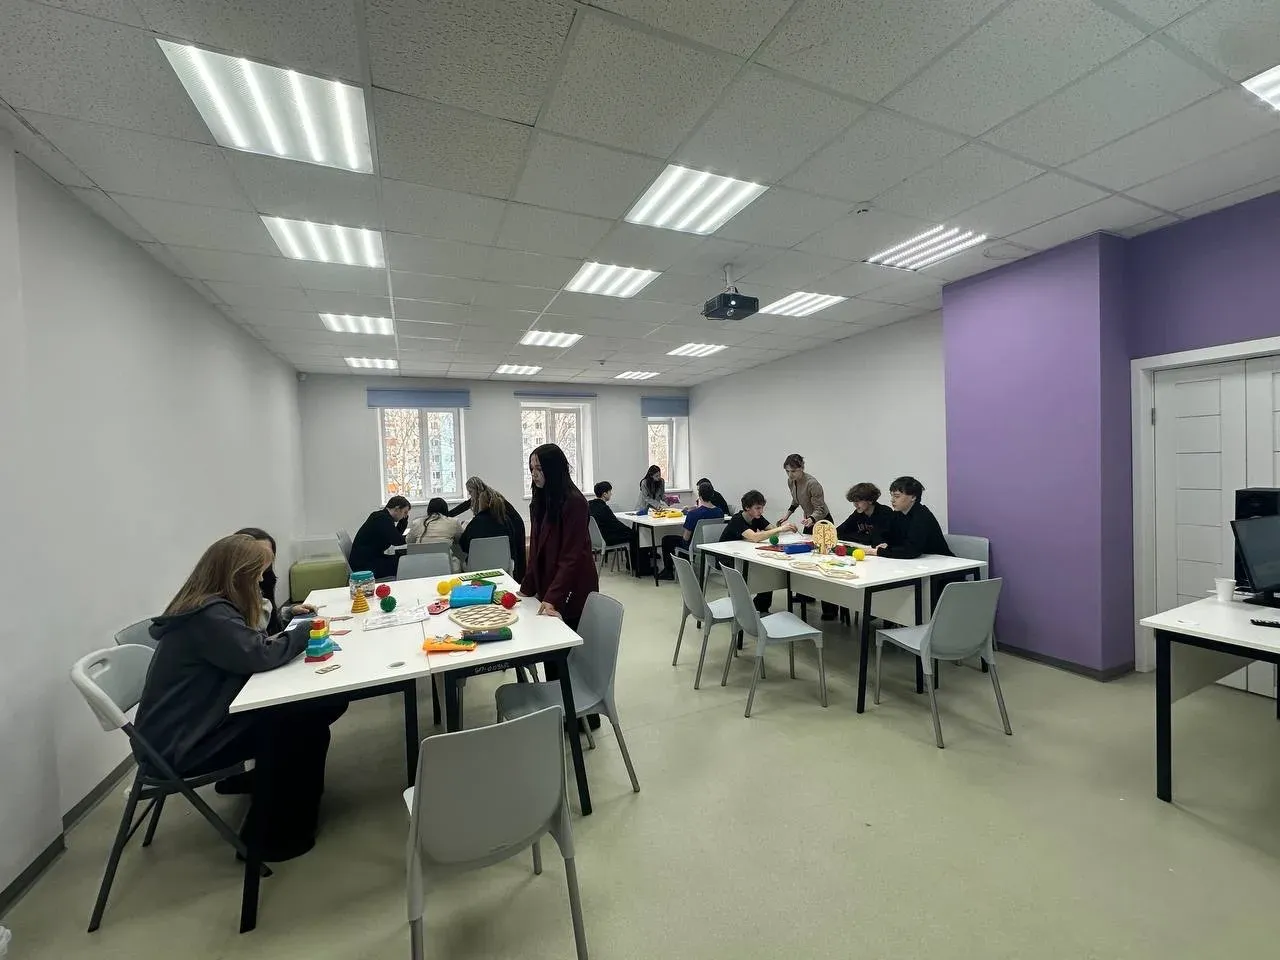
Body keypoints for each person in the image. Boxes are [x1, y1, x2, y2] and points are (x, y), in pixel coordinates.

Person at [135, 535, 345, 861]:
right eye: (257, 575)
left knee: (316, 708)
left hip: (189, 726)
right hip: (184, 744)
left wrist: (285, 625)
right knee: (299, 724)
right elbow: (258, 654)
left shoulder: (207, 608)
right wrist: (305, 631)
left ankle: (276, 790)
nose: (261, 582)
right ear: (238, 576)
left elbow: (248, 644)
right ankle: (273, 838)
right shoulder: (209, 616)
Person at [865, 476, 958, 606]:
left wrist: (880, 552)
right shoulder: (898, 513)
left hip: (943, 573)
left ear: (913, 497)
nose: (892, 500)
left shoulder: (922, 516)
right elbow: (880, 535)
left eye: (897, 496)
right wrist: (884, 543)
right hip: (920, 566)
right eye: (892, 496)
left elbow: (912, 551)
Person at [776, 454, 837, 619]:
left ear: (802, 468)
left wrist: (811, 519)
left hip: (822, 522)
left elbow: (820, 509)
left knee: (824, 562)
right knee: (807, 557)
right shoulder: (791, 481)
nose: (790, 474)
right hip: (809, 521)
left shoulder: (813, 484)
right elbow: (796, 501)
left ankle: (830, 608)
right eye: (787, 471)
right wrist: (787, 515)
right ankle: (806, 594)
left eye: (793, 471)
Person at [719, 489, 795, 612]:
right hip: (727, 558)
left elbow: (772, 531)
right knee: (761, 572)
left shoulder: (757, 517)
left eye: (762, 508)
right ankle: (747, 609)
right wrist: (780, 529)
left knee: (768, 572)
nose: (761, 511)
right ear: (747, 508)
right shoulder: (737, 520)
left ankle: (761, 607)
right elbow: (755, 537)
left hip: (744, 553)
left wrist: (782, 528)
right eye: (758, 508)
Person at [235, 527, 316, 634]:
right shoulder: (234, 594)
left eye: (267, 553)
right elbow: (256, 638)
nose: (263, 559)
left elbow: (269, 624)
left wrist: (289, 612)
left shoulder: (266, 578)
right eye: (258, 554)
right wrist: (301, 633)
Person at [456, 477, 527, 581]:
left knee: (517, 554)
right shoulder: (485, 496)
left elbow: (463, 544)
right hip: (507, 524)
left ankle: (518, 579)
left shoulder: (490, 496)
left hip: (515, 524)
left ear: (476, 489)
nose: (470, 495)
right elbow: (465, 506)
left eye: (470, 492)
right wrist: (446, 513)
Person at [658, 480, 724, 581]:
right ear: (713, 495)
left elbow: (686, 537)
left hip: (694, 546)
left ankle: (668, 571)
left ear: (699, 496)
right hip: (710, 546)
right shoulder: (719, 512)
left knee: (667, 540)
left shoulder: (693, 514)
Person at [348, 495, 411, 579]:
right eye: (405, 512)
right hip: (365, 566)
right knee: (404, 563)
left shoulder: (381, 516)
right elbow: (397, 540)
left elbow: (395, 536)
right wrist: (412, 537)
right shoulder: (382, 519)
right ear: (397, 509)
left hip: (366, 560)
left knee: (401, 558)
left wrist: (403, 522)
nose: (405, 516)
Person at [836, 483, 894, 547]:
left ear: (870, 500)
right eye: (853, 501)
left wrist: (854, 535)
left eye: (858, 501)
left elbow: (877, 540)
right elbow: (837, 532)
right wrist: (862, 537)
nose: (855, 504)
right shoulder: (858, 513)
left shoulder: (885, 512)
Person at [589, 481, 632, 548]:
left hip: (595, 539)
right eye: (610, 491)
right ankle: (638, 555)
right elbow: (616, 524)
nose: (611, 494)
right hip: (607, 538)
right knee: (634, 535)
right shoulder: (604, 508)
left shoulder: (590, 504)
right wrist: (629, 530)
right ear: (604, 494)